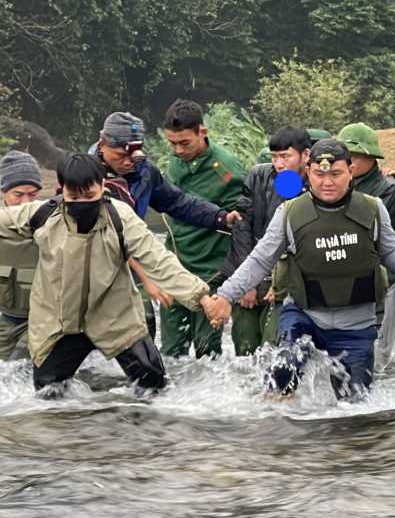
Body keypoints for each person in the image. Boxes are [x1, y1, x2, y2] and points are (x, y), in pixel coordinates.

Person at [202, 139, 395, 399]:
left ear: (351, 171)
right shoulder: (290, 212)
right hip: (304, 317)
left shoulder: (373, 209)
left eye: (336, 174)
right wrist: (226, 295)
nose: (327, 182)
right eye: (319, 174)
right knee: (281, 376)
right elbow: (260, 260)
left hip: (356, 325)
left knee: (356, 405)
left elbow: (393, 252)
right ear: (308, 172)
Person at [0, 154, 214, 396]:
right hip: (60, 323)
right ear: (62, 190)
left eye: (89, 195)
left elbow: (157, 258)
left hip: (115, 317)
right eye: (73, 197)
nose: (81, 203)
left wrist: (200, 296)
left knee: (154, 388)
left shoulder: (120, 217)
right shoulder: (43, 214)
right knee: (48, 394)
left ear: (102, 186)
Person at [95, 111, 240, 339]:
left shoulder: (144, 171)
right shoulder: (83, 176)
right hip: (90, 267)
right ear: (102, 143)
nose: (127, 162)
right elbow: (107, 235)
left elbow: (176, 202)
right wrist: (147, 278)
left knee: (143, 323)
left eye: (133, 155)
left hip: (130, 259)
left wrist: (220, 217)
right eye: (120, 155)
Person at [160, 99, 245, 358]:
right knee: (171, 351)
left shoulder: (226, 168)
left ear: (202, 132)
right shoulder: (174, 163)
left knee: (207, 352)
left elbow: (243, 223)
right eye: (172, 143)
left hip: (212, 269)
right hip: (176, 267)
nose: (178, 150)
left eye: (185, 143)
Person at [222, 126, 310, 355]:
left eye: (286, 157)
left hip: (288, 286)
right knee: (245, 349)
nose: (279, 164)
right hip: (249, 272)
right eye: (274, 157)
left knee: (273, 349)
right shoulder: (258, 176)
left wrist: (280, 282)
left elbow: (307, 243)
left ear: (305, 155)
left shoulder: (317, 185)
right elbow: (242, 226)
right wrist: (247, 283)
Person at [0, 151, 44, 360]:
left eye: (33, 194)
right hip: (5, 321)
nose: (26, 202)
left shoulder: (53, 223)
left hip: (41, 324)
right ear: (3, 192)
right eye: (18, 195)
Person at [338, 122, 395, 244]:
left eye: (352, 157)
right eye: (341, 157)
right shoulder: (336, 184)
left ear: (370, 156)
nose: (346, 163)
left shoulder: (389, 189)